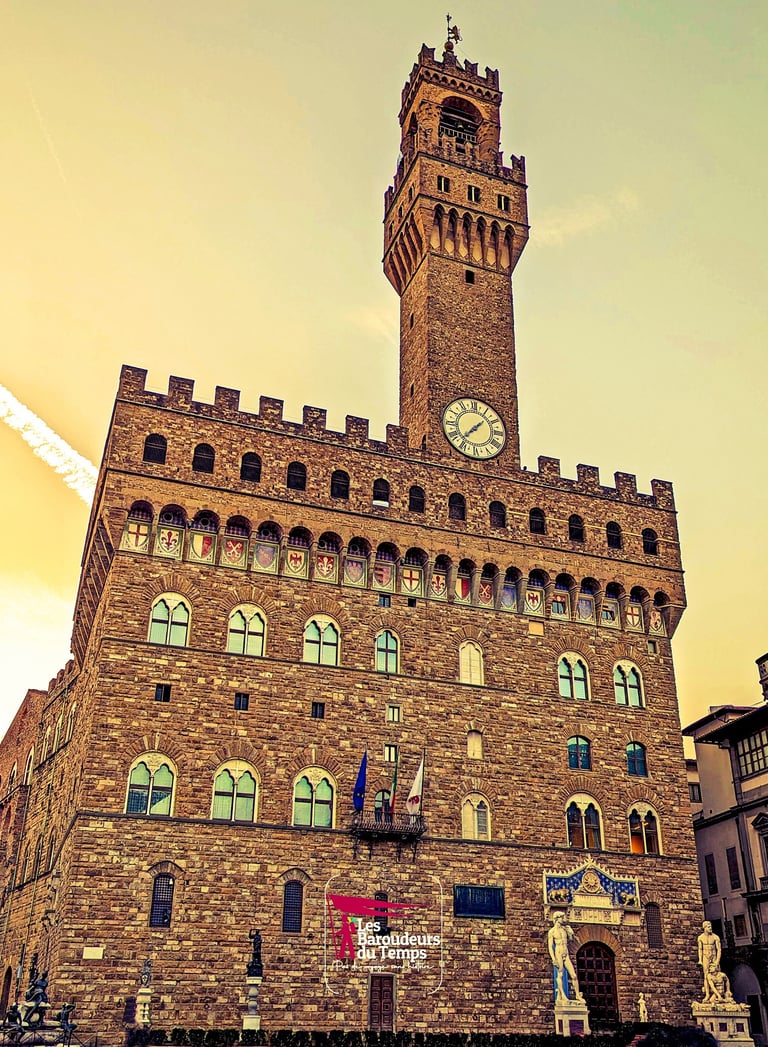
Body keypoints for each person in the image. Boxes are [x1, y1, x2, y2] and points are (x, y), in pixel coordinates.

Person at [548, 912, 584, 1002]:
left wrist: (571, 933)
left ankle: (577, 995)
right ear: (557, 918)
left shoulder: (565, 929)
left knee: (574, 975)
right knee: (560, 974)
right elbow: (550, 946)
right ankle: (562, 995)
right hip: (558, 952)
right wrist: (553, 959)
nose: (563, 919)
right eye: (562, 917)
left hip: (565, 952)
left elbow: (571, 940)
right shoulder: (552, 931)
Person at [697, 921, 722, 1001]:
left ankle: (716, 994)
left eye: (710, 926)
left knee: (717, 974)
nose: (710, 928)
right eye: (708, 927)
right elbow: (700, 949)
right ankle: (707, 994)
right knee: (706, 976)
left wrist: (717, 961)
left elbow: (719, 950)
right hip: (705, 957)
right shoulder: (700, 938)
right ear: (704, 928)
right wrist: (700, 960)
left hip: (714, 956)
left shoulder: (715, 937)